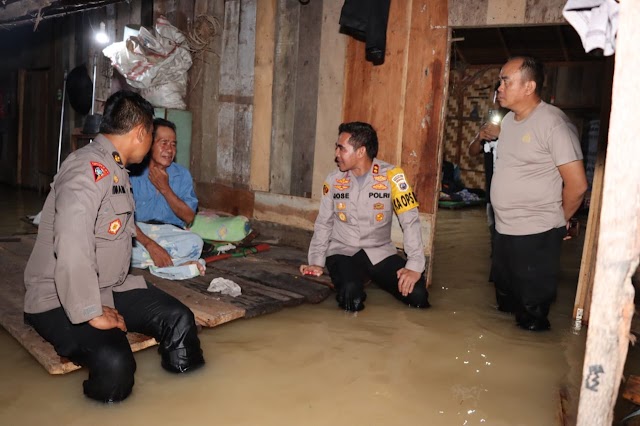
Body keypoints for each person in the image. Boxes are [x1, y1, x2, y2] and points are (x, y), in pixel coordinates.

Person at [23, 91, 205, 403]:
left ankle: (189, 404)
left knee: (180, 321)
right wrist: (91, 311)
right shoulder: (87, 169)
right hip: (58, 294)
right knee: (115, 364)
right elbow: (71, 242)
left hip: (112, 285)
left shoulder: (117, 167)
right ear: (141, 133)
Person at [490, 56, 588, 331]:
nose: (499, 87)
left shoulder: (553, 124)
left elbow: (578, 185)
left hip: (537, 233)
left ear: (529, 87)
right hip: (504, 230)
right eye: (500, 80)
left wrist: (558, 222)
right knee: (506, 305)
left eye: (505, 81)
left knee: (531, 317)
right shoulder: (509, 121)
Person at [300, 122, 430, 312]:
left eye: (341, 148)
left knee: (418, 296)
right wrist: (316, 262)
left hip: (379, 252)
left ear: (360, 152)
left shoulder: (393, 177)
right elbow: (324, 224)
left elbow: (409, 221)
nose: (336, 154)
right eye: (337, 147)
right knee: (351, 297)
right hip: (342, 251)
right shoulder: (334, 181)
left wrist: (415, 266)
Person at [129, 118, 204, 276]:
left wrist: (165, 188)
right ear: (149, 144)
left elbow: (189, 216)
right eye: (164, 143)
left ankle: (155, 262)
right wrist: (150, 245)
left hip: (169, 234)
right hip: (137, 232)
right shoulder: (133, 172)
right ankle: (176, 264)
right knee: (114, 244)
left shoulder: (181, 175)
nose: (169, 150)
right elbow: (124, 218)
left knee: (195, 243)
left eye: (173, 144)